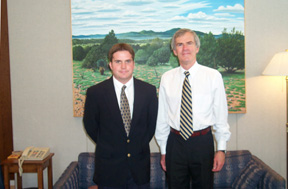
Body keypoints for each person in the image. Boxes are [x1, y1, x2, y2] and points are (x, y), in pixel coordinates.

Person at [155, 28, 231, 189]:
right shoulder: (167, 78)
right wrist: (163, 150)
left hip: (202, 143)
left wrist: (221, 149)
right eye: (180, 45)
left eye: (189, 43)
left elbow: (220, 115)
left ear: (197, 47)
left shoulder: (213, 76)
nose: (185, 48)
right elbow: (162, 116)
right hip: (174, 144)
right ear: (175, 51)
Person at [83, 43, 158, 189]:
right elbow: (91, 126)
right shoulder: (95, 93)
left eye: (127, 61)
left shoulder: (148, 91)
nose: (123, 66)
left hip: (139, 171)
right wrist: (110, 145)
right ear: (110, 64)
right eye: (118, 61)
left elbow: (151, 127)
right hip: (108, 171)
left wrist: (134, 145)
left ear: (133, 64)